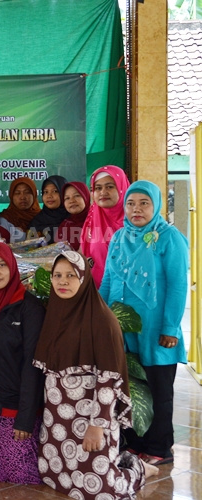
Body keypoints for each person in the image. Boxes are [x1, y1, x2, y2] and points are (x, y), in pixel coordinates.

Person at [34, 251, 157, 499]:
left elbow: (108, 379)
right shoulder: (55, 314)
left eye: (71, 275)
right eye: (57, 275)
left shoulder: (103, 321)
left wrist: (97, 426)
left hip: (91, 415)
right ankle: (120, 458)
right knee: (51, 474)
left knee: (101, 491)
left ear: (84, 279)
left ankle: (139, 469)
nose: (62, 281)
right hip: (58, 418)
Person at [100, 180, 189, 465]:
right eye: (130, 203)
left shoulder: (168, 237)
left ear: (156, 204)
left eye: (144, 203)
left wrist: (170, 329)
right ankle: (135, 444)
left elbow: (177, 285)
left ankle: (159, 448)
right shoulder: (118, 237)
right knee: (130, 389)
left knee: (159, 390)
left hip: (155, 329)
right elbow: (108, 280)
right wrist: (98, 318)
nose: (136, 209)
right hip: (122, 329)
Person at [0, 242, 45, 484]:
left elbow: (32, 364)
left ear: (12, 267)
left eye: (2, 265)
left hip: (18, 412)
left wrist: (25, 418)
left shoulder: (29, 307)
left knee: (19, 473)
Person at [80, 165, 130, 288]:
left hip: (128, 294)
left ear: (122, 187)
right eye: (98, 188)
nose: (103, 192)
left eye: (110, 187)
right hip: (95, 291)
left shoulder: (135, 221)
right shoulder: (92, 217)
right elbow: (84, 253)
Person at [0, 177, 41, 243]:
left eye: (27, 192)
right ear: (11, 196)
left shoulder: (44, 217)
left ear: (34, 195)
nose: (22, 197)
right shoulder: (5, 219)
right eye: (17, 193)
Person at [30, 175, 69, 244]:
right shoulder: (37, 221)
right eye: (46, 192)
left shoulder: (73, 219)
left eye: (55, 191)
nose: (49, 196)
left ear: (64, 193)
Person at [55, 181, 90, 251]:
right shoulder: (65, 225)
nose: (72, 201)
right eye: (67, 198)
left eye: (76, 196)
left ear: (86, 196)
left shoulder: (96, 221)